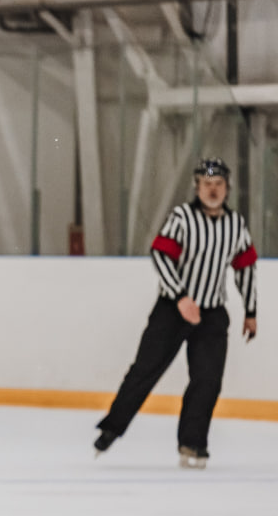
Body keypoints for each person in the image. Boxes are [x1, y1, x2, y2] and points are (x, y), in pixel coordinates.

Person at [94, 158, 258, 468]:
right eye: (207, 184)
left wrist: (251, 310)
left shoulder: (235, 225)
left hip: (211, 314)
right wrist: (181, 297)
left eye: (218, 184)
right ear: (197, 187)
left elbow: (245, 267)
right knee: (145, 370)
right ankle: (111, 428)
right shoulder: (182, 217)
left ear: (227, 188)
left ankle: (192, 443)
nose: (213, 190)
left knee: (208, 380)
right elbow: (160, 254)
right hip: (172, 309)